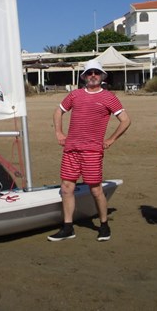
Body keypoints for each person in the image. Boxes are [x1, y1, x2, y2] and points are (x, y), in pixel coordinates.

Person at [48, 59, 131, 242]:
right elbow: (58, 111)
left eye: (96, 72)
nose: (93, 75)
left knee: (95, 189)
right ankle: (68, 227)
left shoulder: (108, 97)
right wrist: (59, 132)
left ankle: (104, 225)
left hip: (92, 151)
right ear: (84, 76)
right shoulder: (75, 95)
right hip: (71, 149)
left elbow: (125, 120)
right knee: (66, 187)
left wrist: (111, 139)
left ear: (102, 76)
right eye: (89, 72)